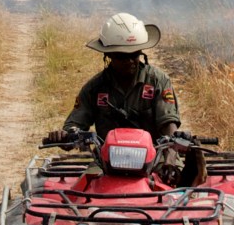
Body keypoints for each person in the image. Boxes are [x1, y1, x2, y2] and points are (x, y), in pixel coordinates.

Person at [47, 12, 183, 142]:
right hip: (108, 159)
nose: (129, 61)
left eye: (134, 54)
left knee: (176, 166)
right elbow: (76, 123)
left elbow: (168, 121)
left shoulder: (158, 81)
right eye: (122, 56)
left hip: (155, 154)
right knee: (93, 168)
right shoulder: (94, 88)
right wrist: (64, 135)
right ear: (109, 55)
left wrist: (172, 142)